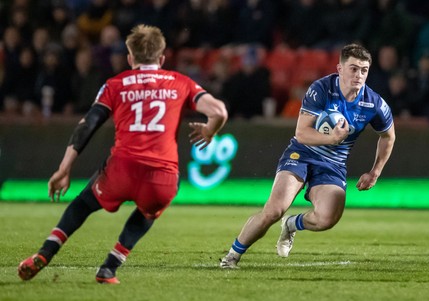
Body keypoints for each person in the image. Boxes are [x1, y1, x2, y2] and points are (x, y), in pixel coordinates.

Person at [17, 24, 228, 283]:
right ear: (161, 59)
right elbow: (219, 111)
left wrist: (64, 168)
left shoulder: (115, 84)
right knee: (151, 209)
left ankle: (45, 253)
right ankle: (109, 267)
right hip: (161, 177)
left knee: (83, 204)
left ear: (130, 58)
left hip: (121, 170)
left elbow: (88, 125)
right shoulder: (180, 82)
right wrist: (209, 131)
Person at [220, 43, 395, 268]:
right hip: (301, 154)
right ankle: (231, 257)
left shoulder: (374, 103)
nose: (359, 75)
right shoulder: (321, 89)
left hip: (333, 164)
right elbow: (302, 133)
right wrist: (332, 138)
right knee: (273, 210)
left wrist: (375, 172)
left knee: (327, 219)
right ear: (340, 69)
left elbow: (388, 136)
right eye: (353, 69)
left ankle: (292, 224)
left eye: (363, 70)